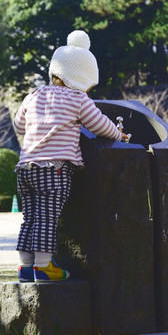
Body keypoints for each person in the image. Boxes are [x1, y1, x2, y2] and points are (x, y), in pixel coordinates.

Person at [13, 30, 126, 282]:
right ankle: (44, 268)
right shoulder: (79, 99)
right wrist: (120, 136)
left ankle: (25, 268)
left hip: (25, 168)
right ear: (83, 78)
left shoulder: (34, 95)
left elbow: (19, 126)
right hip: (54, 169)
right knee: (47, 217)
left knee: (29, 218)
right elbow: (100, 125)